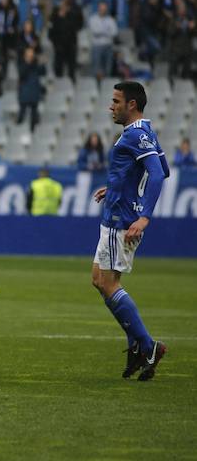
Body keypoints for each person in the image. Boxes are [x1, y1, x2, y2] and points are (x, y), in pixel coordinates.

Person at [92, 81, 169, 381]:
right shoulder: (144, 132)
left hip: (121, 221)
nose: (111, 106)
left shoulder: (136, 135)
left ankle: (148, 346)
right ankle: (136, 345)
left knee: (109, 285)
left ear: (131, 105)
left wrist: (144, 216)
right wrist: (115, 188)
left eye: (116, 101)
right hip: (116, 212)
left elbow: (158, 174)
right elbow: (161, 166)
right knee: (99, 280)